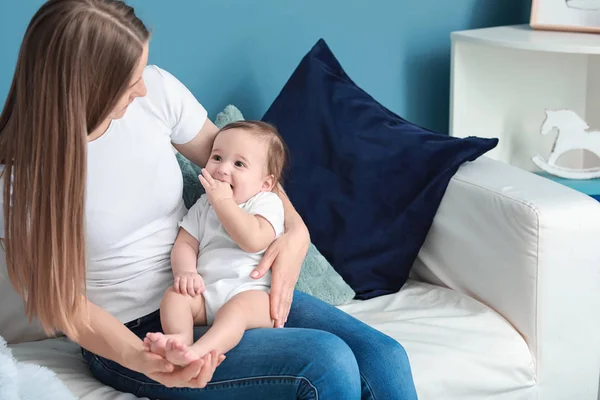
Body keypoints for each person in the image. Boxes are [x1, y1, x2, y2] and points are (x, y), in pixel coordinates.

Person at [0, 0, 419, 399]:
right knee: (326, 364)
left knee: (384, 357)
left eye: (143, 71)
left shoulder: (158, 95)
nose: (144, 88)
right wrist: (144, 359)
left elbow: (243, 168)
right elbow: (66, 307)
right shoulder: (18, 182)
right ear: (86, 87)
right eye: (130, 81)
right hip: (133, 332)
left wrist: (295, 230)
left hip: (221, 284)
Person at [144, 121, 287, 366]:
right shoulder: (203, 205)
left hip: (251, 294)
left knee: (236, 313)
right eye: (217, 157)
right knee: (174, 297)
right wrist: (186, 272)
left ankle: (201, 351)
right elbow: (185, 244)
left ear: (265, 183)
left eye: (239, 164)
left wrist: (224, 203)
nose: (222, 169)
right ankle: (179, 342)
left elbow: (253, 239)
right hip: (206, 293)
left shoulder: (266, 203)